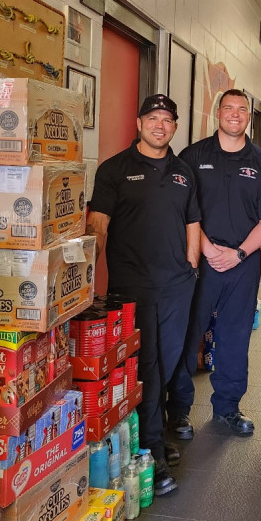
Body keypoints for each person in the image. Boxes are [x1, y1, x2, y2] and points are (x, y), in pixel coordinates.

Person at [86, 93, 201, 496]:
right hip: (132, 285)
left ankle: (150, 434)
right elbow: (98, 225)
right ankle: (150, 449)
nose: (159, 125)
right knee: (146, 365)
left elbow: (192, 220)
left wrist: (192, 265)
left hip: (177, 285)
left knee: (166, 363)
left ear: (174, 127)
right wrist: (86, 279)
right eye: (152, 118)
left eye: (167, 120)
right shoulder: (114, 169)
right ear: (139, 123)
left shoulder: (184, 171)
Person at [166, 89, 261, 437]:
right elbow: (181, 208)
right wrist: (206, 249)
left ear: (248, 116)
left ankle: (228, 408)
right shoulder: (193, 156)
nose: (235, 114)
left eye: (242, 109)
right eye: (229, 107)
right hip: (199, 261)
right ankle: (178, 411)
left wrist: (239, 253)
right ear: (217, 113)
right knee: (188, 334)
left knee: (235, 337)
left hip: (242, 263)